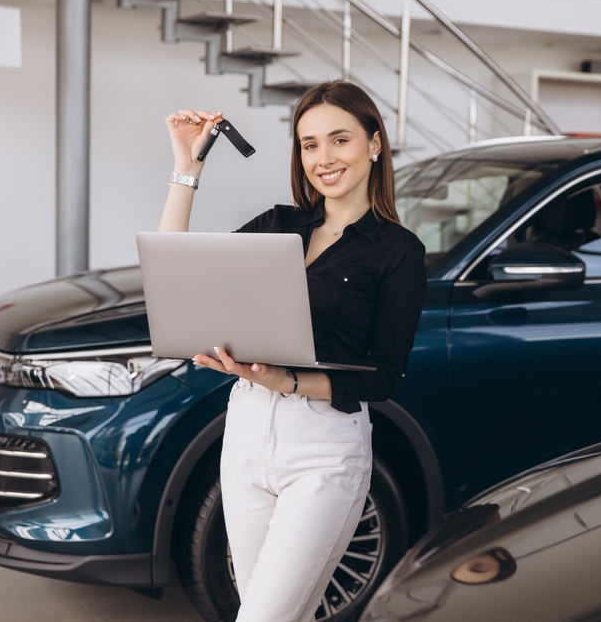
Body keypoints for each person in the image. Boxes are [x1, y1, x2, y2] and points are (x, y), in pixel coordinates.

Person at [159, 81, 427, 622]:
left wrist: (289, 381)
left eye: (339, 140)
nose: (323, 159)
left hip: (324, 448)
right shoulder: (278, 224)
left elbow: (384, 377)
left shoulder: (398, 251)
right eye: (309, 145)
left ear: (374, 145)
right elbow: (174, 273)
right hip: (246, 435)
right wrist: (188, 166)